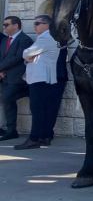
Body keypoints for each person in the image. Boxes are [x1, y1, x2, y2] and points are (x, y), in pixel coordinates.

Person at [15, 15, 66, 150]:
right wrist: (30, 56)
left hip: (41, 78)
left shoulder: (46, 37)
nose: (35, 26)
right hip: (44, 77)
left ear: (47, 25)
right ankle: (44, 136)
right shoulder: (48, 38)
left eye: (38, 23)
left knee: (38, 109)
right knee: (44, 109)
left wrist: (28, 56)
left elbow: (26, 53)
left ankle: (34, 138)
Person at [0, 16, 34, 141]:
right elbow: (3, 57)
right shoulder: (5, 41)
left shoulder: (24, 40)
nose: (4, 27)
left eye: (7, 25)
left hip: (18, 79)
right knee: (8, 102)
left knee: (7, 98)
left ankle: (11, 130)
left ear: (16, 25)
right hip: (5, 78)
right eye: (4, 25)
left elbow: (17, 58)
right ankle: (11, 130)